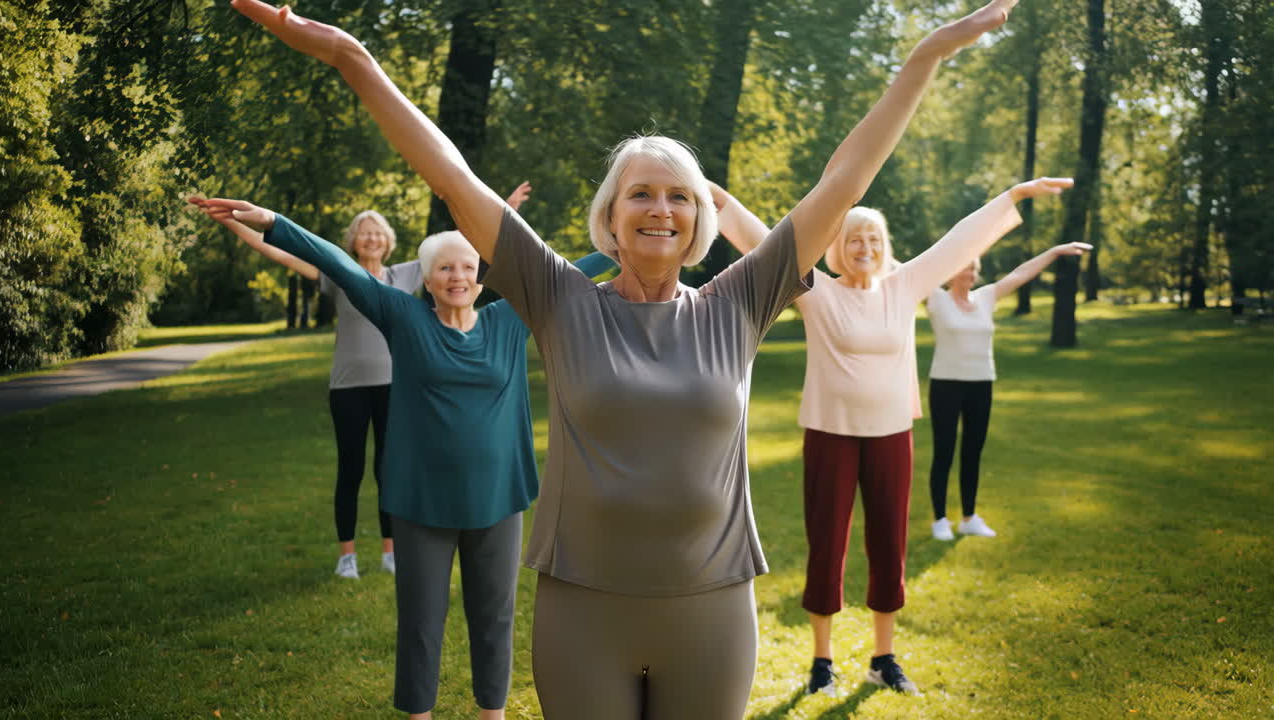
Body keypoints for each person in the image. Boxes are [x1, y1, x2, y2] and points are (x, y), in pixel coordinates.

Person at [226, 0, 1021, 716]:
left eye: (679, 195)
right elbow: (450, 173)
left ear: (698, 218)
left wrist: (923, 60)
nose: (661, 209)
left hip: (712, 609)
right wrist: (352, 59)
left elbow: (844, 181)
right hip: (583, 611)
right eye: (641, 192)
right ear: (610, 215)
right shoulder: (557, 295)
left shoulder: (738, 301)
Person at [192, 196, 615, 720]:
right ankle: (419, 715)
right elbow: (337, 263)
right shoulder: (402, 315)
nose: (457, 276)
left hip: (498, 498)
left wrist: (621, 243)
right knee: (420, 619)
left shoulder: (509, 320)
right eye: (444, 268)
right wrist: (273, 221)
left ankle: (493, 714)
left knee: (495, 617)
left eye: (466, 266)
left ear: (482, 277)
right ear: (427, 280)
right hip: (420, 503)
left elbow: (568, 276)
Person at [713, 176, 1072, 697]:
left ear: (886, 249)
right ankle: (821, 662)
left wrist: (1013, 197)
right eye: (855, 238)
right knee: (826, 545)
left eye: (875, 239)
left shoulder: (904, 287)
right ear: (836, 248)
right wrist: (717, 198)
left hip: (890, 437)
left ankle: (883, 658)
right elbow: (763, 241)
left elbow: (960, 242)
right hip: (830, 435)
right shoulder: (815, 288)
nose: (866, 248)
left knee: (889, 546)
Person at [198, 182, 532, 580]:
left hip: (395, 387)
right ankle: (347, 556)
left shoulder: (405, 274)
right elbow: (280, 250)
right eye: (364, 230)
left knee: (388, 468)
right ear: (354, 241)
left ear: (387, 241)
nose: (371, 236)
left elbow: (461, 253)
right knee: (350, 470)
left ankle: (391, 552)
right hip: (348, 387)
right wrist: (236, 223)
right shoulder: (339, 273)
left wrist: (505, 210)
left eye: (377, 230)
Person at [926, 241, 1091, 541]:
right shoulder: (936, 298)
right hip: (946, 385)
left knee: (973, 453)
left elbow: (1020, 274)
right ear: (950, 272)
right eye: (963, 267)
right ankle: (939, 519)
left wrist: (1054, 251)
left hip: (981, 384)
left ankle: (968, 517)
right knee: (944, 452)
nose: (969, 273)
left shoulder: (987, 297)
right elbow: (898, 269)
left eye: (973, 268)